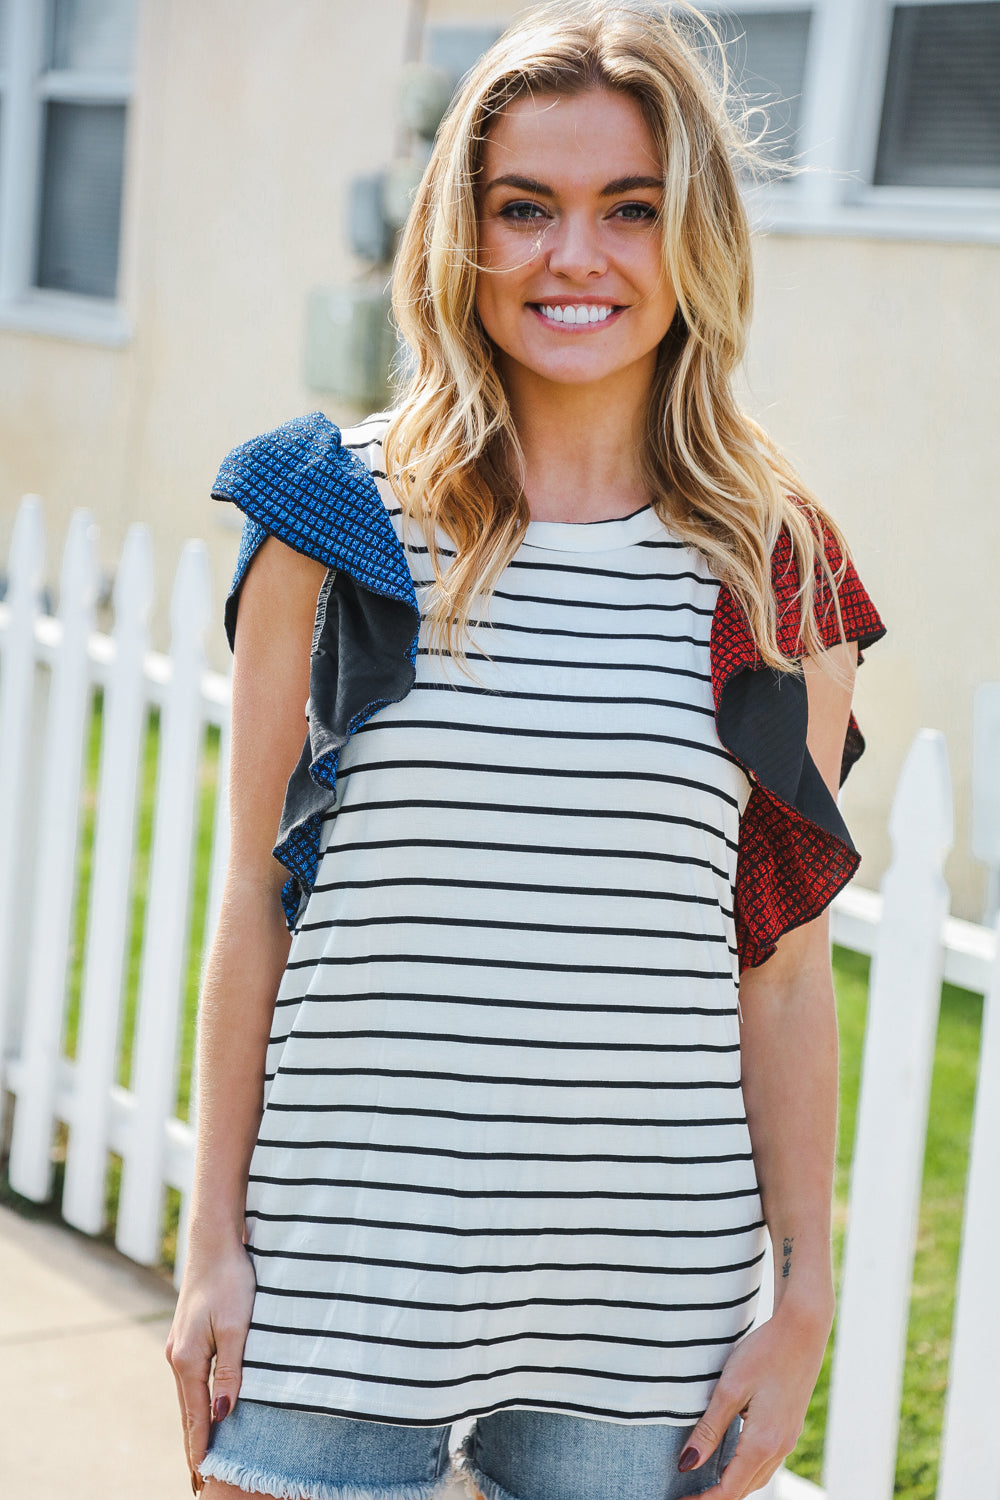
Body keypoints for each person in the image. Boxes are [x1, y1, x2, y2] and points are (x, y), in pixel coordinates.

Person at [166, 4, 885, 1498]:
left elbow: (786, 969)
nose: (577, 258)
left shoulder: (777, 572)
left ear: (694, 238)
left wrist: (803, 1294)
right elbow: (255, 900)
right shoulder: (332, 518)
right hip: (336, 1276)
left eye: (632, 210)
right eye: (526, 210)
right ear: (461, 234)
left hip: (644, 1318)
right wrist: (210, 1246)